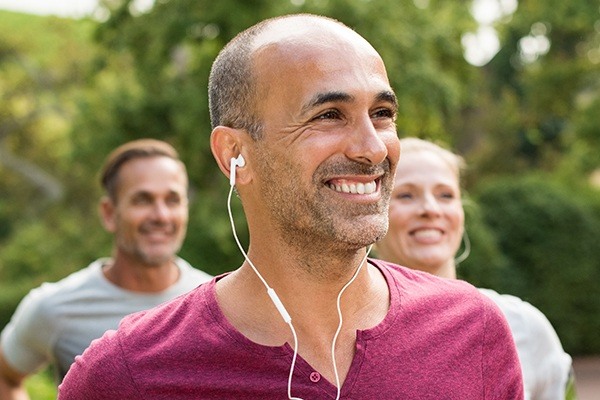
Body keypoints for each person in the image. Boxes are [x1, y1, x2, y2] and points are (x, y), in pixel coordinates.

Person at [59, 14, 524, 399]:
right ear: (234, 155)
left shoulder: (473, 330)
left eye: (381, 114)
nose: (372, 149)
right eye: (328, 115)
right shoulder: (127, 375)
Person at [0, 139, 212, 399]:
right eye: (142, 200)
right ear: (109, 213)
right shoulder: (56, 308)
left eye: (172, 200)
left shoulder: (215, 305)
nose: (161, 216)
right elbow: (5, 377)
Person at [376, 137, 576, 400]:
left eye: (445, 195)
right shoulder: (341, 335)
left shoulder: (524, 326)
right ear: (372, 211)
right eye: (406, 195)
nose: (430, 209)